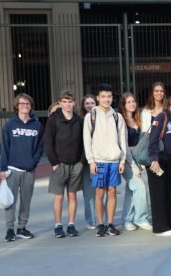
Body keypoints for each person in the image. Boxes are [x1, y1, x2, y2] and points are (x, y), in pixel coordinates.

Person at [83, 83, 127, 237]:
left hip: (114, 161)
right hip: (99, 161)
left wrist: (122, 160)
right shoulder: (91, 117)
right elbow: (87, 140)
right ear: (98, 98)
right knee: (99, 193)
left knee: (112, 192)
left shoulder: (117, 117)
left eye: (109, 96)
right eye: (103, 96)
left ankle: (110, 224)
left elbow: (123, 139)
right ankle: (100, 224)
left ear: (112, 98)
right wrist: (91, 161)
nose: (106, 99)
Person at [0, 93, 44, 242]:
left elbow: (40, 147)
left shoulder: (37, 125)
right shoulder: (10, 125)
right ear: (16, 106)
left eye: (28, 104)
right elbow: (5, 148)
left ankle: (22, 227)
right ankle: (10, 229)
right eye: (22, 104)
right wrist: (3, 168)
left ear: (31, 106)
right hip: (12, 169)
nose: (25, 106)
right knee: (10, 201)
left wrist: (34, 162)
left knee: (26, 200)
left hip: (29, 170)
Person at [43, 90, 84, 238]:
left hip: (75, 165)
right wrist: (54, 163)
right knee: (59, 197)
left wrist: (81, 162)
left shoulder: (79, 120)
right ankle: (58, 225)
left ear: (74, 103)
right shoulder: (54, 119)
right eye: (64, 101)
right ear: (60, 103)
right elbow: (48, 142)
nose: (67, 104)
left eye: (70, 101)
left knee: (72, 196)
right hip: (59, 164)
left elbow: (84, 142)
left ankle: (71, 225)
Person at [147, 95, 171, 236]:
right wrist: (154, 160)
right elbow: (153, 139)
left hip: (170, 162)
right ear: (168, 105)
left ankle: (168, 224)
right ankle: (160, 228)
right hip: (158, 160)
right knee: (158, 194)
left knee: (168, 193)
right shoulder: (162, 117)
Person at [118, 93, 152, 231]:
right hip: (127, 158)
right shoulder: (121, 120)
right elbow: (123, 144)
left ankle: (127, 220)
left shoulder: (138, 119)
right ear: (123, 105)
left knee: (131, 189)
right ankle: (141, 218)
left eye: (133, 101)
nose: (132, 104)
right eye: (128, 102)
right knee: (139, 187)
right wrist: (133, 163)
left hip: (138, 157)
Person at [79, 94, 97, 229]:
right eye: (87, 103)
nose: (90, 105)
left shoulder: (102, 118)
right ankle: (91, 220)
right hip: (86, 161)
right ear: (83, 106)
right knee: (89, 193)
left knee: (101, 192)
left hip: (102, 159)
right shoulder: (80, 121)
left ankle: (101, 217)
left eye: (92, 103)